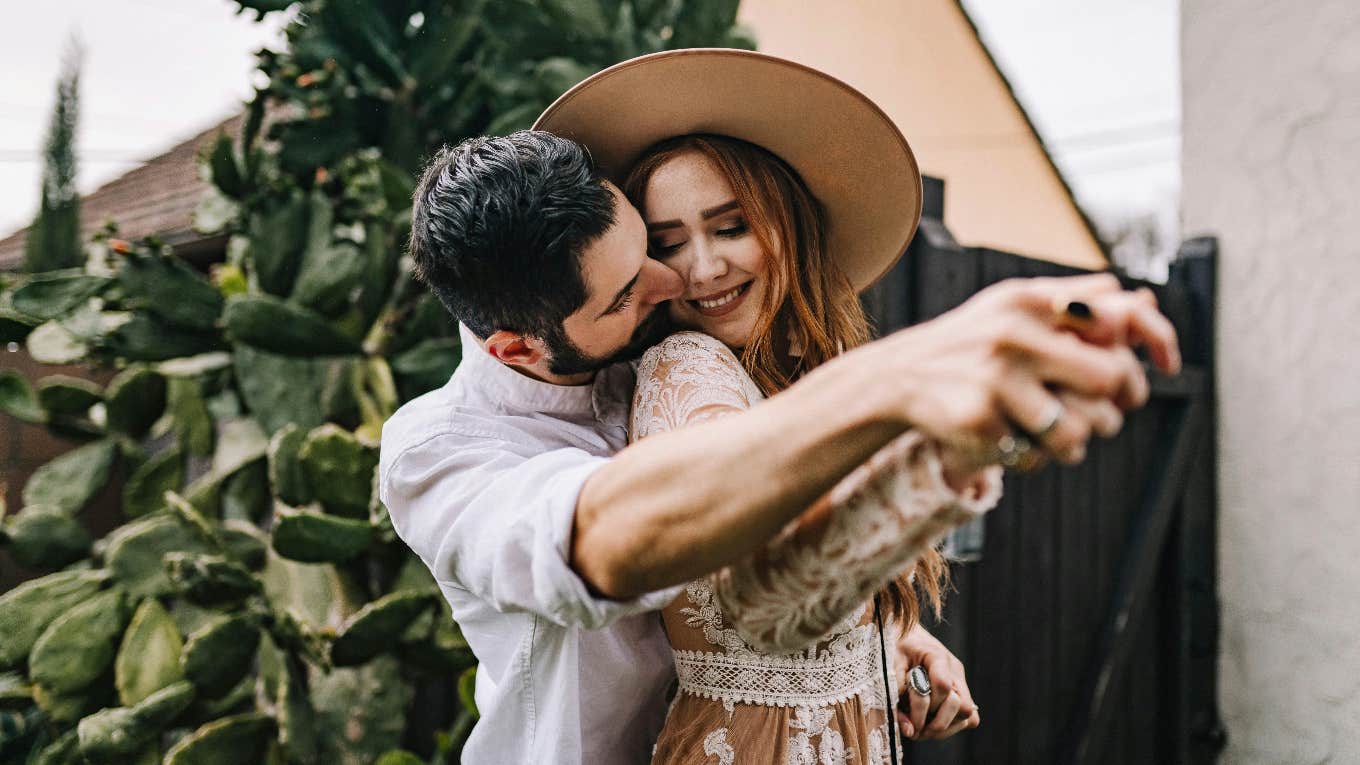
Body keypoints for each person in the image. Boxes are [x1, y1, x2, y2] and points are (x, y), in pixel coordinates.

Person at [381, 49, 1180, 764]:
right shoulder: (442, 452)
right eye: (637, 282)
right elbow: (621, 540)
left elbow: (790, 568)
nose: (679, 282)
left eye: (653, 243)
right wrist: (903, 387)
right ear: (518, 348)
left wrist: (887, 632)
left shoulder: (664, 359)